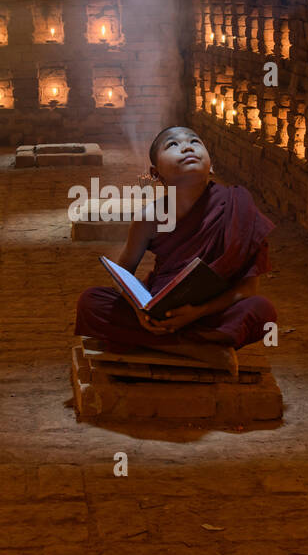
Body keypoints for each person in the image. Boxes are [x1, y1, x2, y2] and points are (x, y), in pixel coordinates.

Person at [74, 126, 277, 372]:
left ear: (211, 165)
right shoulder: (149, 218)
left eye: (195, 141)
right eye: (172, 145)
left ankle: (170, 345)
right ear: (156, 173)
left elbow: (248, 289)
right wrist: (140, 313)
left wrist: (198, 311)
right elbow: (123, 273)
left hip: (210, 315)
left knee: (262, 310)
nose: (187, 146)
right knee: (91, 301)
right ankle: (196, 349)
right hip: (161, 315)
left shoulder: (238, 206)